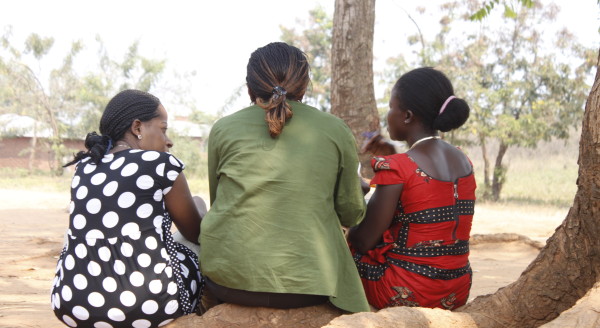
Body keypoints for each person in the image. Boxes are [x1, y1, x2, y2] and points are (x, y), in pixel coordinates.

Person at [200, 42, 370, 313]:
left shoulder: (223, 129)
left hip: (229, 281)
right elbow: (351, 213)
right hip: (310, 286)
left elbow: (218, 201)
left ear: (250, 88)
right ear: (303, 86)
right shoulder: (335, 129)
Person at [50, 89, 204, 328]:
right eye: (163, 129)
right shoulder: (161, 164)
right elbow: (196, 234)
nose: (169, 141)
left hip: (73, 305)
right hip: (149, 306)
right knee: (198, 219)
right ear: (137, 128)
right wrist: (200, 208)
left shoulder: (84, 167)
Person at [347, 67, 475, 310]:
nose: (387, 115)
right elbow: (423, 197)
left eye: (391, 107)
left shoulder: (398, 167)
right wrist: (394, 156)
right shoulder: (463, 160)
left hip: (408, 290)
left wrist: (354, 197)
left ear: (407, 116)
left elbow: (363, 240)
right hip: (457, 289)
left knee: (343, 249)